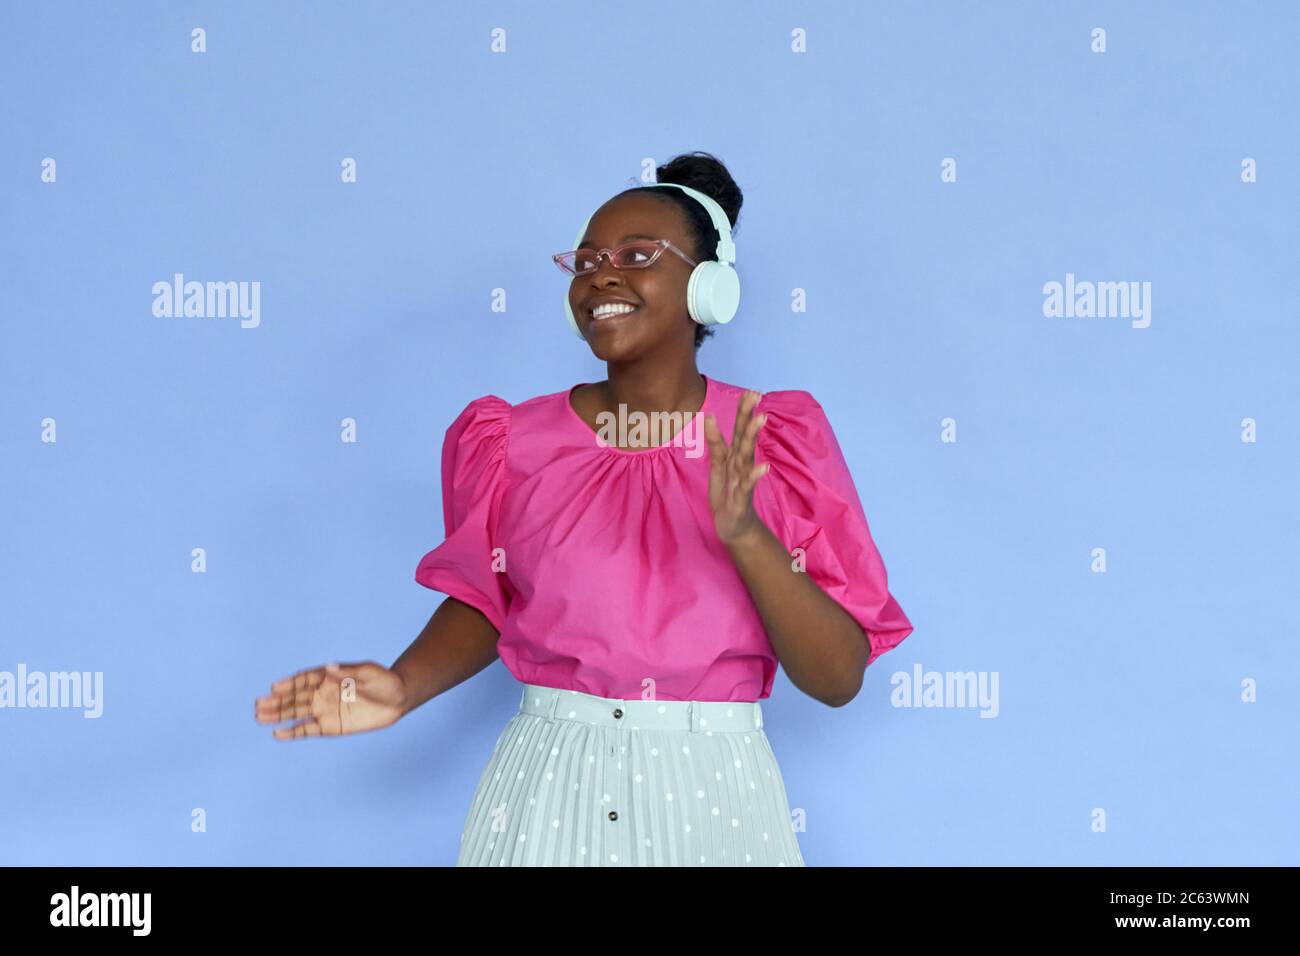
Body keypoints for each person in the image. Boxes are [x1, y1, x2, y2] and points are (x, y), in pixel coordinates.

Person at [254, 151, 913, 866]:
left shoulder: (775, 440)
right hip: (546, 782)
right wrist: (402, 684)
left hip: (714, 789)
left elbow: (838, 678)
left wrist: (746, 536)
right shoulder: (511, 441)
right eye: (588, 259)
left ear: (711, 289)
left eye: (637, 255)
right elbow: (488, 596)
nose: (603, 274)